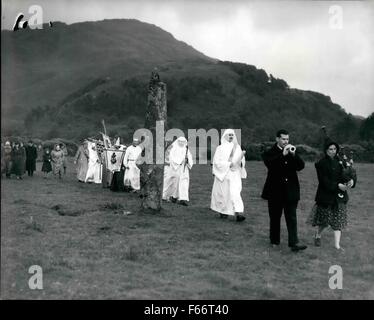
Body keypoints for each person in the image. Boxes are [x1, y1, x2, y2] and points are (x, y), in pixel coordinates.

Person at [261, 129, 307, 252]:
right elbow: (271, 165)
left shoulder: (291, 152)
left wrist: (294, 154)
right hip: (275, 191)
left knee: (291, 217)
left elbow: (301, 166)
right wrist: (283, 155)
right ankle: (274, 241)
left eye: (287, 139)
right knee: (275, 217)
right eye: (283, 139)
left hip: (291, 191)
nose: (286, 141)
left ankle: (294, 243)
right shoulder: (269, 152)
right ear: (277, 139)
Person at [307, 141, 356, 251]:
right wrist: (338, 185)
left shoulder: (340, 161)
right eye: (330, 149)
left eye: (334, 149)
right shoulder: (321, 164)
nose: (333, 151)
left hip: (339, 196)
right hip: (326, 195)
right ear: (326, 150)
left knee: (338, 220)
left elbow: (344, 174)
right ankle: (318, 235)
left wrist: (350, 181)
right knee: (324, 222)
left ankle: (337, 245)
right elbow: (323, 181)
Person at [210, 129, 247, 222]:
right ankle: (223, 211)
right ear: (225, 136)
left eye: (232, 135)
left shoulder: (237, 147)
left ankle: (239, 213)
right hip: (224, 174)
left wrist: (240, 163)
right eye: (229, 135)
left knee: (235, 193)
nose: (231, 136)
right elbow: (217, 162)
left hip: (235, 174)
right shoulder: (220, 148)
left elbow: (242, 160)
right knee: (224, 193)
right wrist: (227, 164)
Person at [162, 137, 193, 206]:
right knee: (174, 183)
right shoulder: (174, 149)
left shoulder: (186, 149)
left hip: (184, 170)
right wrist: (181, 161)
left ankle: (183, 198)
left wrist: (188, 161)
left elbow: (190, 158)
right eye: (180, 141)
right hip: (175, 169)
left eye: (183, 142)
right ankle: (173, 197)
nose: (181, 143)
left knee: (184, 183)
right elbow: (172, 159)